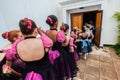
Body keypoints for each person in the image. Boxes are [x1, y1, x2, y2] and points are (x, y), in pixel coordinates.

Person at [46, 15, 70, 80]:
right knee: (62, 68)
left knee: (55, 67)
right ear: (56, 23)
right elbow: (64, 41)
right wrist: (62, 31)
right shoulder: (58, 33)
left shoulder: (46, 32)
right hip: (60, 53)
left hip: (51, 53)